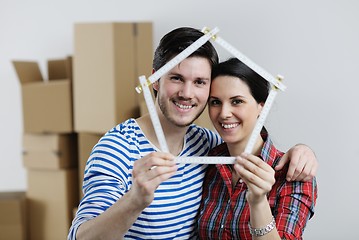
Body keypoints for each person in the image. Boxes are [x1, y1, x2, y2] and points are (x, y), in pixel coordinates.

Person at [68, 27, 318, 240]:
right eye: (176, 78)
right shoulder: (117, 148)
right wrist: (135, 200)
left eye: (199, 82)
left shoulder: (207, 145)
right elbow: (80, 236)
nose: (187, 93)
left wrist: (302, 150)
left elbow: (249, 141)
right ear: (155, 81)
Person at [196, 58, 317, 239]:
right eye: (215, 102)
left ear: (262, 106)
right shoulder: (207, 160)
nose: (224, 113)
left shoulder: (293, 174)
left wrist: (258, 201)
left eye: (236, 101)